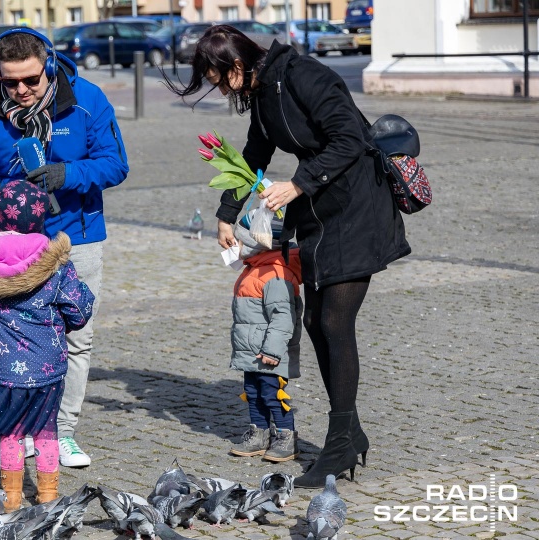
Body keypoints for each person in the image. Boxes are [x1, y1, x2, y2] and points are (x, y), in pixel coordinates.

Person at [167, 26, 410, 487]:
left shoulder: (305, 76)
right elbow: (256, 152)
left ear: (236, 64)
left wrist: (299, 183)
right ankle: (351, 431)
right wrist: (227, 213)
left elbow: (349, 139)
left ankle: (339, 443)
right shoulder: (263, 89)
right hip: (322, 214)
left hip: (358, 208)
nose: (219, 87)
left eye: (218, 77)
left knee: (335, 323)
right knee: (316, 322)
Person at [0, 27, 128, 468]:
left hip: (75, 236)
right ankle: (20, 431)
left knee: (75, 337)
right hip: (11, 245)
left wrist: (66, 174)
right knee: (13, 339)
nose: (20, 90)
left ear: (48, 67)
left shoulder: (87, 99)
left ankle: (62, 431)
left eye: (30, 81)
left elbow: (115, 164)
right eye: (9, 81)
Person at [0, 180, 95, 511]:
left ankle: (13, 499)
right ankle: (47, 495)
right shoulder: (57, 264)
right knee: (46, 431)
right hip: (48, 363)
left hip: (3, 366)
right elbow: (78, 309)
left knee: (11, 434)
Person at [227, 214, 302, 463]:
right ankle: (258, 433)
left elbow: (283, 318)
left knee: (273, 394)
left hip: (270, 355)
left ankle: (285, 436)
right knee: (252, 392)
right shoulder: (255, 269)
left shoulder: (275, 275)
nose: (233, 245)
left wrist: (272, 351)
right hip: (251, 352)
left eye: (239, 240)